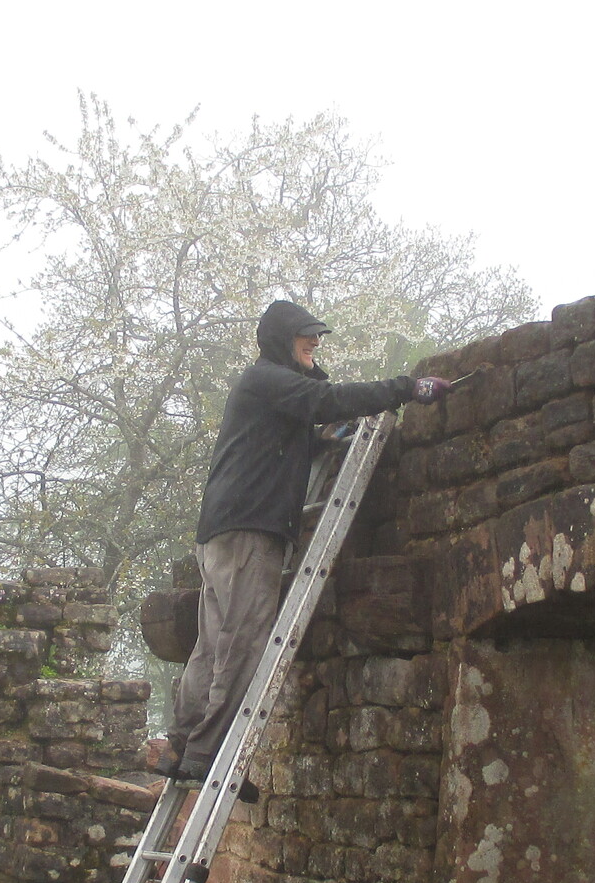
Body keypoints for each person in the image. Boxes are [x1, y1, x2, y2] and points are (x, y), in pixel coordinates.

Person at [149, 299, 449, 784]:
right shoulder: (267, 378)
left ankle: (181, 745)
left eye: (317, 336)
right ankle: (209, 755)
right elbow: (324, 401)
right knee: (243, 642)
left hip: (222, 529)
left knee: (211, 645)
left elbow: (291, 439)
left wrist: (326, 437)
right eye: (304, 335)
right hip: (250, 530)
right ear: (279, 340)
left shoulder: (263, 388)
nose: (315, 342)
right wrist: (406, 388)